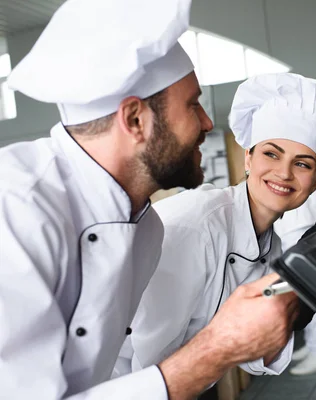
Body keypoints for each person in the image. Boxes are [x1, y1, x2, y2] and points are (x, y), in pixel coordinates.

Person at [0, 0, 298, 398]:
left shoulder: (146, 225)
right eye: (193, 105)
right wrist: (218, 347)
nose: (209, 124)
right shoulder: (16, 210)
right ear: (135, 120)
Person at [120, 72, 316, 379]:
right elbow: (152, 372)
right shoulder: (195, 227)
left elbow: (252, 353)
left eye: (302, 163)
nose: (283, 173)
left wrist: (299, 299)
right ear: (248, 159)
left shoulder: (272, 245)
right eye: (271, 154)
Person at [273, 192, 316, 375]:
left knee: (309, 293)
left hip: (297, 226)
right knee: (302, 292)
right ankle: (314, 345)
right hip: (295, 223)